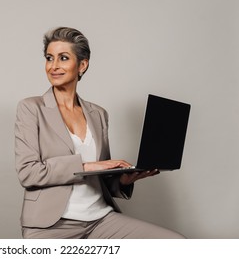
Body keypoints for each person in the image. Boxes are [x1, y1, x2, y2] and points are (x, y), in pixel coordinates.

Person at [14, 27, 185, 239]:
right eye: (49, 58)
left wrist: (124, 180)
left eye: (63, 58)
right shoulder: (31, 108)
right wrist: (86, 166)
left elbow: (100, 180)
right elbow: (28, 172)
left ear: (82, 65)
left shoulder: (98, 114)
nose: (54, 66)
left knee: (176, 244)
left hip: (100, 220)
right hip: (51, 227)